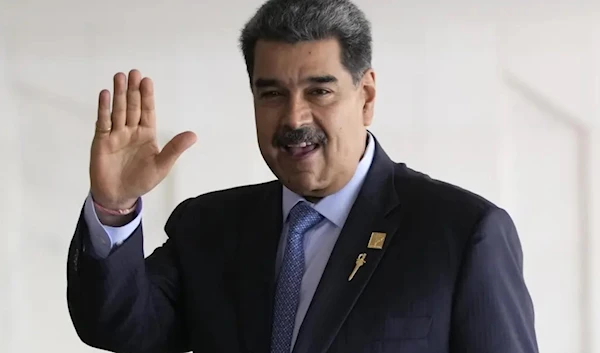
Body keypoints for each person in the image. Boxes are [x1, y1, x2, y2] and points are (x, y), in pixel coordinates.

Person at [66, 0, 539, 352]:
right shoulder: (209, 226)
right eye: (271, 94)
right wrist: (114, 207)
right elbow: (119, 326)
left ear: (366, 95)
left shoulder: (461, 233)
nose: (294, 118)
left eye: (320, 92)